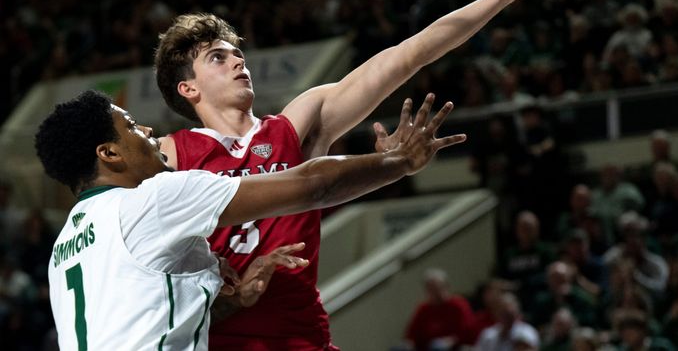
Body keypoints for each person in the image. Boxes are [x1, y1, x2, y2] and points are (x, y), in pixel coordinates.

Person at [153, 0, 569, 350]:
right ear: (188, 89)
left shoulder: (295, 127)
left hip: (304, 338)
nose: (237, 61)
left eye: (236, 54)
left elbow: (409, 54)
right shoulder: (169, 154)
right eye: (218, 57)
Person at [38, 90, 464, 350]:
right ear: (109, 154)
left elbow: (142, 320)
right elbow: (311, 184)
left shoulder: (64, 248)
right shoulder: (153, 199)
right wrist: (399, 162)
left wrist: (233, 300)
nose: (148, 130)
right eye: (131, 126)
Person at [404, 268, 475, 351]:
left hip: (454, 347)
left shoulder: (459, 305)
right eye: (431, 289)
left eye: (438, 288)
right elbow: (411, 335)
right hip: (427, 347)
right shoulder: (423, 309)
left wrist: (451, 340)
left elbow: (468, 330)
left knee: (438, 346)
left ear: (446, 286)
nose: (436, 292)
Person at [475, 292, 540, 351]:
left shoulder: (527, 333)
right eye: (503, 313)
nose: (507, 319)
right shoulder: (488, 335)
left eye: (510, 314)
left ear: (517, 314)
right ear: (496, 313)